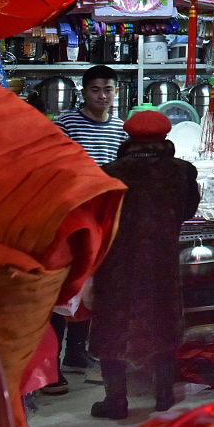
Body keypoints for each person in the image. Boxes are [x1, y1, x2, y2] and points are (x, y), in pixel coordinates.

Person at [90, 110, 200, 419]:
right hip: (162, 259)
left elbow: (97, 217)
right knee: (162, 321)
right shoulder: (182, 172)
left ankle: (116, 400)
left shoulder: (109, 173)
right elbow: (188, 209)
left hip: (116, 263)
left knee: (113, 326)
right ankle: (164, 394)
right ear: (166, 136)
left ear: (129, 137)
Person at [45, 63, 128, 395]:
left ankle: (77, 354)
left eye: (107, 89)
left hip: (104, 218)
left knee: (92, 288)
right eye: (95, 89)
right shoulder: (65, 124)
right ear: (84, 92)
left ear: (116, 92)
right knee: (64, 288)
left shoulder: (121, 129)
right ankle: (51, 365)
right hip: (71, 216)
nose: (102, 95)